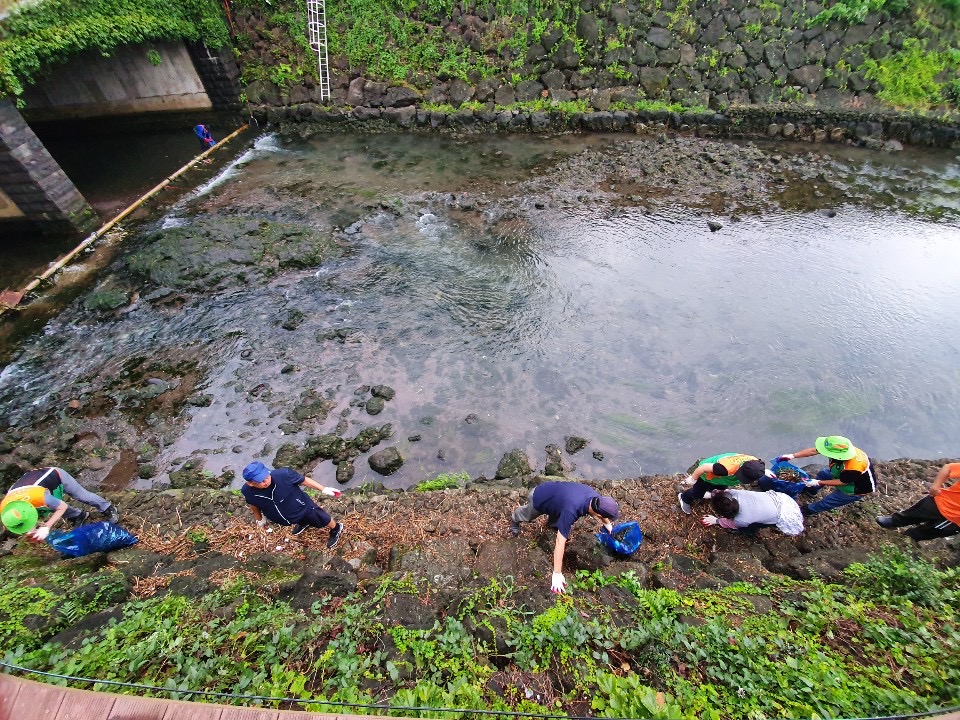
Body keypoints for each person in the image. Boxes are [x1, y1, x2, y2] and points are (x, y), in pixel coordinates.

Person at [510, 481, 619, 594]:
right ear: (599, 514)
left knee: (557, 515)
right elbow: (560, 542)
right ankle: (515, 519)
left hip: (558, 496)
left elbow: (601, 512)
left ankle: (553, 523)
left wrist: (607, 525)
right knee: (526, 515)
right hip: (539, 496)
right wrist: (556, 573)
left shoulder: (596, 498)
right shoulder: (571, 510)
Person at [241, 462, 344, 548]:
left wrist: (323, 489)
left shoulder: (284, 474)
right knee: (298, 519)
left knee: (321, 517)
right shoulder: (247, 491)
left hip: (301, 505)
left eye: (267, 477)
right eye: (261, 481)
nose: (266, 481)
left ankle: (336, 528)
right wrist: (260, 519)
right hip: (285, 515)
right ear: (250, 483)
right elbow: (253, 504)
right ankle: (303, 523)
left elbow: (304, 480)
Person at [0, 467, 118, 541]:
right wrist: (31, 531)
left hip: (56, 475)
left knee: (81, 496)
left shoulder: (39, 497)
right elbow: (24, 517)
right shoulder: (5, 508)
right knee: (48, 508)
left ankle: (107, 507)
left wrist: (47, 526)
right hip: (32, 483)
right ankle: (78, 515)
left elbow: (63, 507)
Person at [776, 436, 875, 515]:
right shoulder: (841, 449)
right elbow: (814, 451)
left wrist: (818, 482)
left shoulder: (854, 467)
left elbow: (842, 482)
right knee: (823, 473)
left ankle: (809, 510)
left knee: (828, 501)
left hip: (855, 488)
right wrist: (792, 456)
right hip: (841, 472)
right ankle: (812, 491)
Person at [876, 462, 960, 541]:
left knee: (926, 532)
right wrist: (935, 486)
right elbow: (948, 468)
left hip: (954, 521)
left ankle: (906, 539)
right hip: (943, 501)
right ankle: (894, 521)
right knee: (912, 514)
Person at [678, 453, 765, 514]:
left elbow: (758, 469)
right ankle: (684, 498)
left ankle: (710, 491)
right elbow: (703, 467)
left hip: (722, 478)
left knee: (721, 491)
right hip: (707, 475)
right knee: (697, 494)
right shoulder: (724, 468)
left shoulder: (755, 463)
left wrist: (764, 472)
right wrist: (693, 479)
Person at [700, 488, 804, 536]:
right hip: (781, 499)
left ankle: (748, 533)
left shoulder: (742, 520)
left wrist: (716, 520)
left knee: (752, 526)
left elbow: (729, 523)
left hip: (783, 514)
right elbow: (724, 493)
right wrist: (711, 496)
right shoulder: (736, 494)